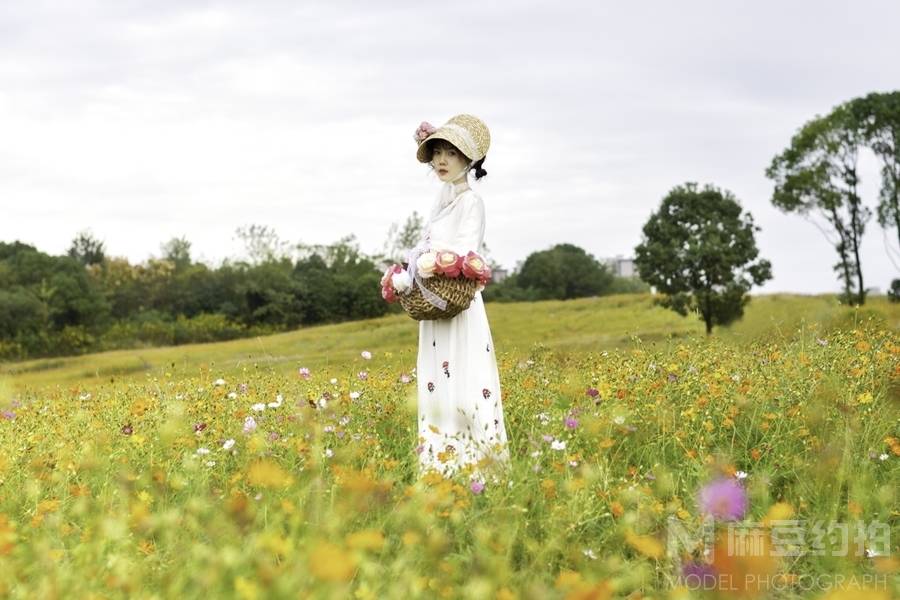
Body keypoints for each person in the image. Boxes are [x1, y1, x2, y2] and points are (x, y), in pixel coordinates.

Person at [407, 114, 511, 482]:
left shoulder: (471, 203)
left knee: (466, 377)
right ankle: (441, 465)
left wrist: (431, 264)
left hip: (460, 303)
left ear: (469, 161)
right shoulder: (442, 202)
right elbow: (427, 247)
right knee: (438, 381)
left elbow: (466, 254)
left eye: (451, 153)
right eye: (437, 152)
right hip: (437, 306)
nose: (441, 160)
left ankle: (477, 469)